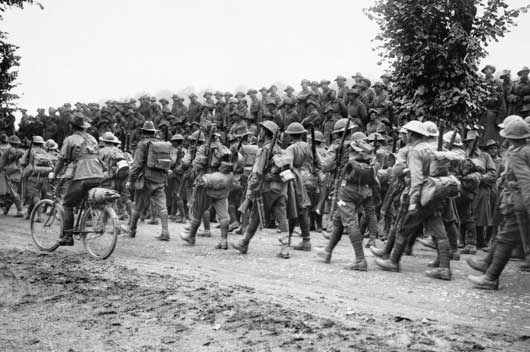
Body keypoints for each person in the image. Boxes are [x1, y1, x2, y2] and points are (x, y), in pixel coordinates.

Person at [375, 120, 453, 280]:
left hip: (419, 195)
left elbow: (417, 178)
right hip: (433, 194)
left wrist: (413, 201)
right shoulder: (432, 149)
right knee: (440, 232)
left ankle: (393, 262)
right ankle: (445, 268)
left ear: (410, 134)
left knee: (404, 228)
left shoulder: (415, 152)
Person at [468, 118, 530, 289]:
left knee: (505, 239)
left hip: (519, 203)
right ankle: (488, 265)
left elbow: (525, 182)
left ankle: (491, 277)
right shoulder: (525, 150)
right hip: (518, 201)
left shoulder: (518, 154)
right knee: (504, 236)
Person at [230, 120, 288, 256]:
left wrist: (251, 189)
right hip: (280, 188)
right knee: (281, 216)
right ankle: (285, 248)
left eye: (262, 130)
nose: (260, 133)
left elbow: (257, 171)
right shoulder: (280, 150)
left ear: (265, 133)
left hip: (266, 188)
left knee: (255, 215)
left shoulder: (265, 150)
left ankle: (244, 243)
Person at [50, 115, 105, 246]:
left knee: (68, 204)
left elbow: (62, 160)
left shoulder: (70, 139)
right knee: (86, 199)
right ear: (84, 127)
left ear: (72, 127)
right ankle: (88, 219)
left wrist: (54, 174)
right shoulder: (92, 139)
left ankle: (68, 236)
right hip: (97, 174)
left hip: (82, 175)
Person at [126, 120, 171, 241]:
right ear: (153, 132)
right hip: (160, 178)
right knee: (162, 206)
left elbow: (137, 165)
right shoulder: (161, 143)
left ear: (144, 132)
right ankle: (165, 232)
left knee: (138, 205)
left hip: (146, 179)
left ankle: (132, 230)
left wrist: (131, 180)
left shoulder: (142, 144)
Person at [20, 136, 53, 219]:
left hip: (33, 176)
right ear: (41, 143)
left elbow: (22, 162)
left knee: (35, 196)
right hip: (44, 176)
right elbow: (51, 165)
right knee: (35, 195)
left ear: (33, 143)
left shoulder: (30, 151)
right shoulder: (44, 152)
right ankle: (28, 214)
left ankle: (39, 216)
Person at [0, 135, 25, 217]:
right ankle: (6, 209)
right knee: (12, 192)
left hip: (10, 173)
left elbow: (3, 162)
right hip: (18, 173)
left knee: (13, 192)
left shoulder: (9, 150)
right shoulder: (19, 151)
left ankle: (20, 210)